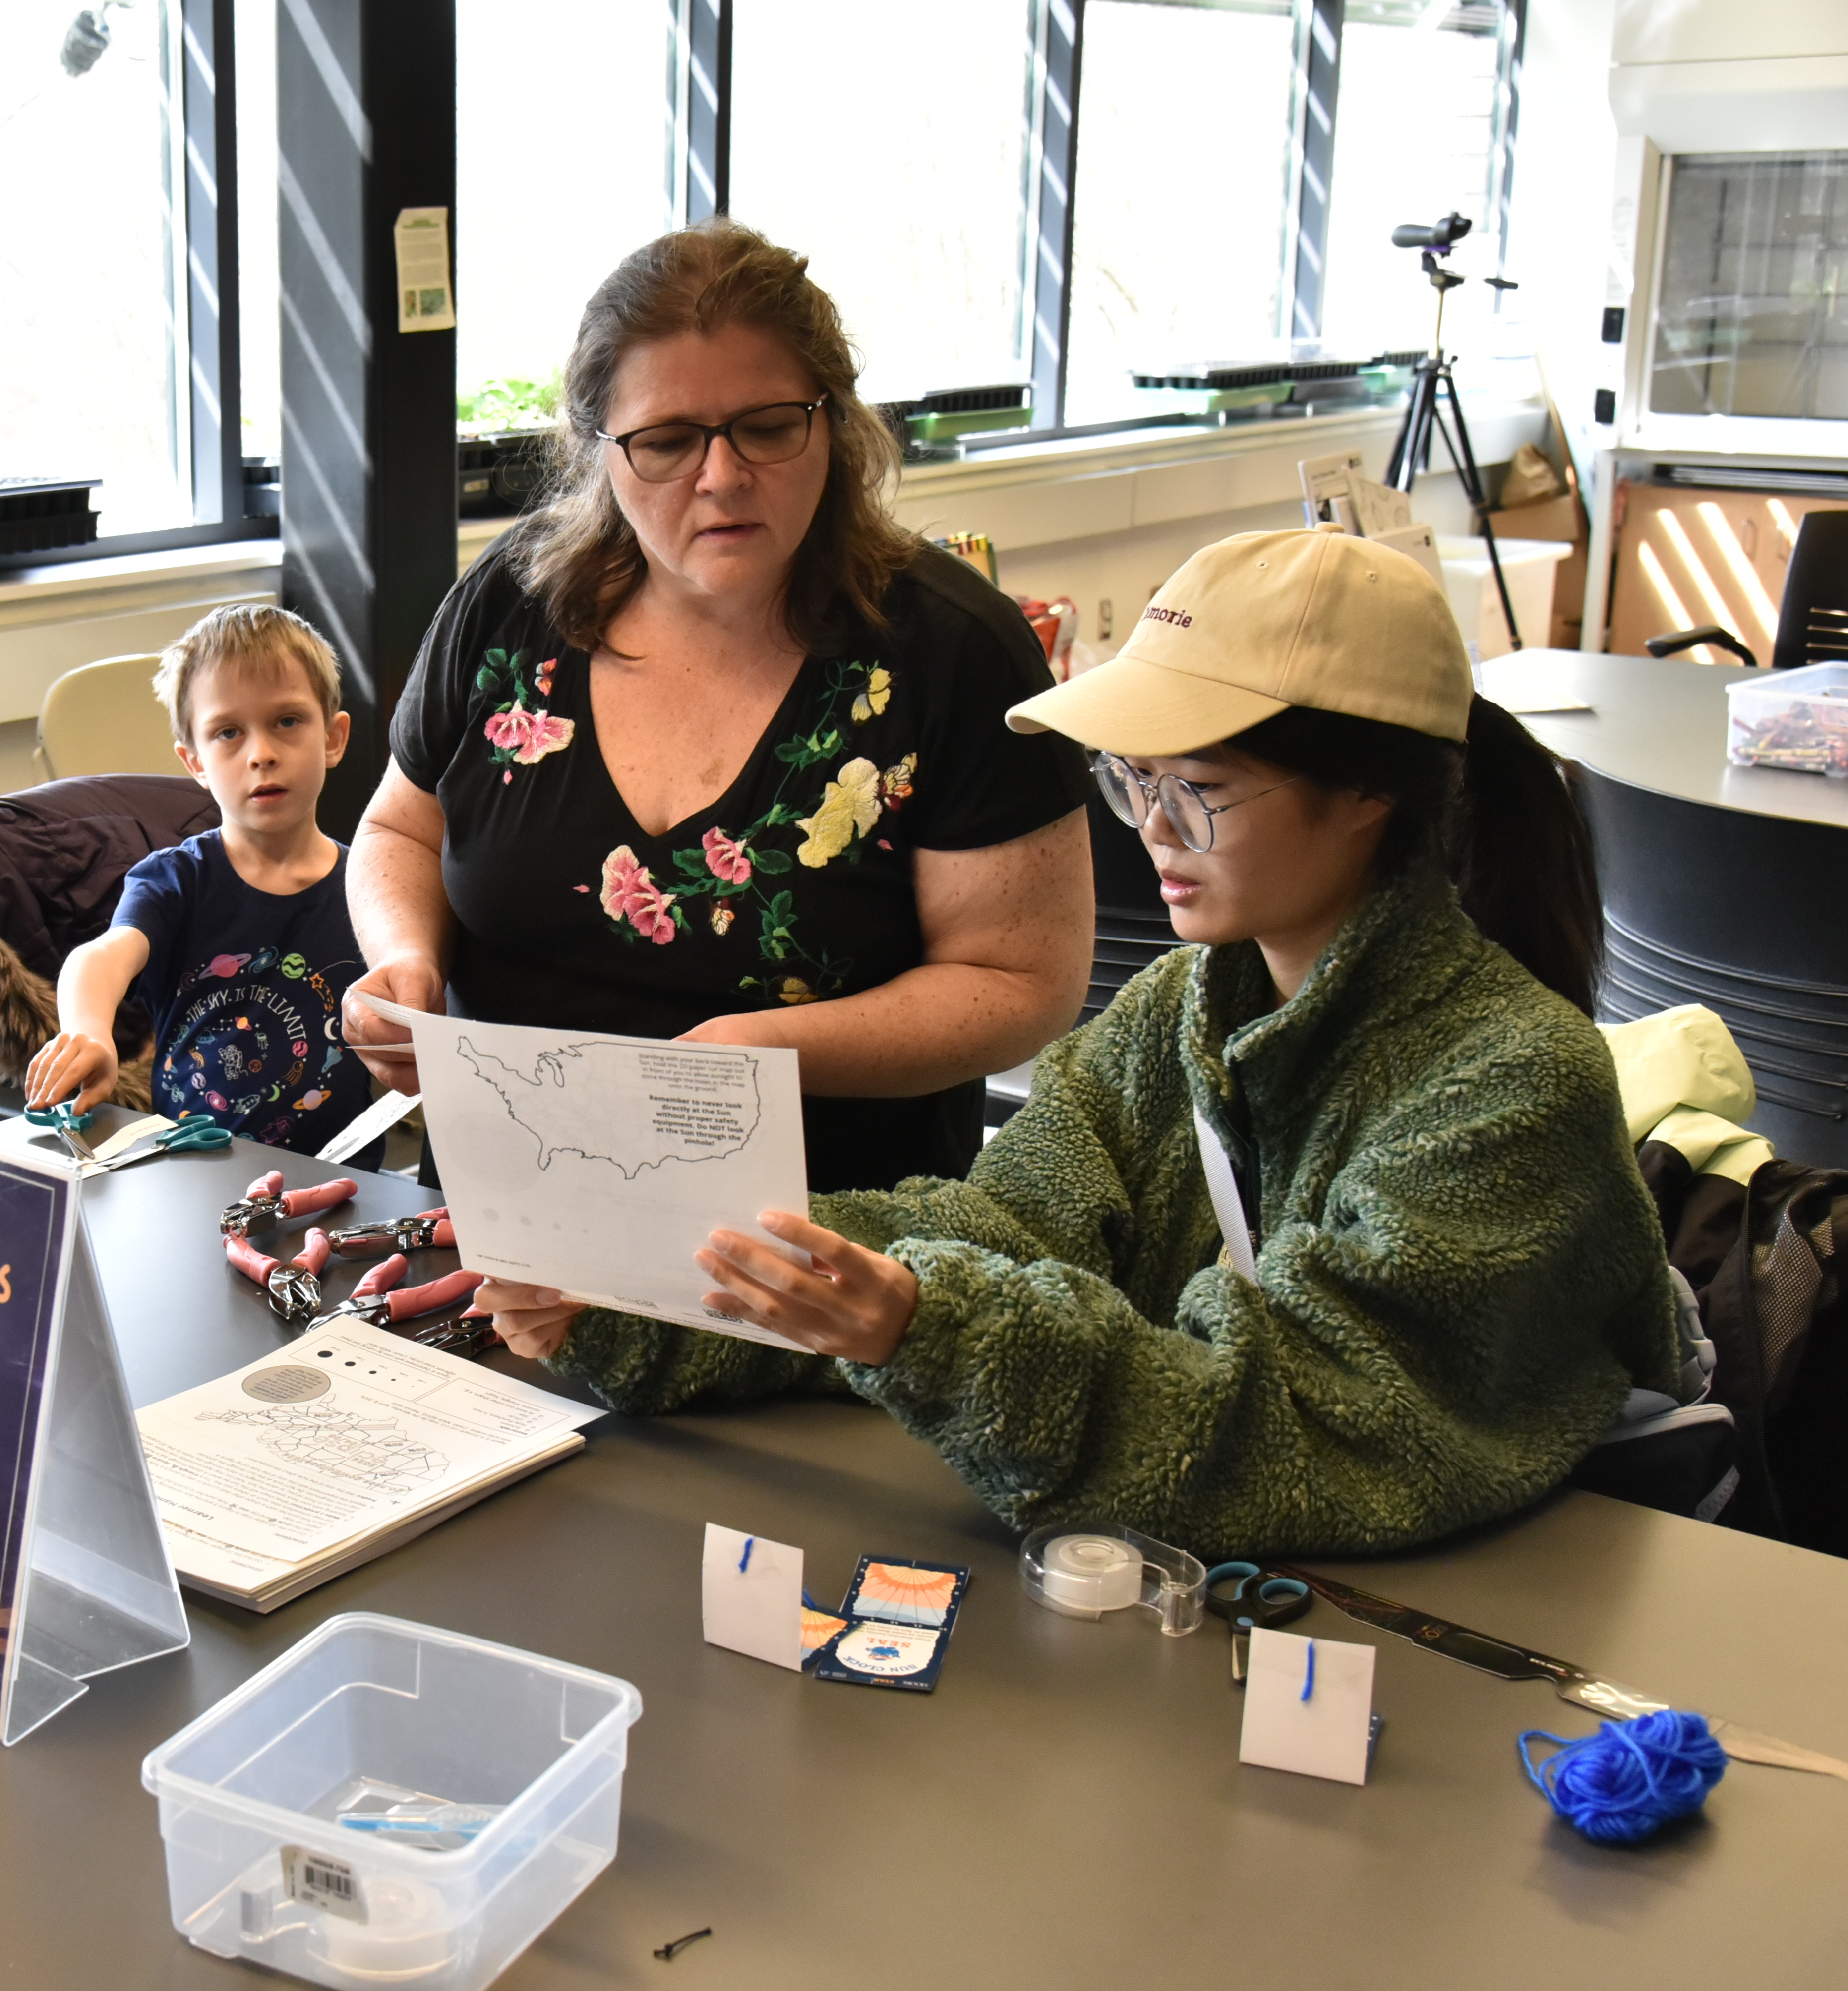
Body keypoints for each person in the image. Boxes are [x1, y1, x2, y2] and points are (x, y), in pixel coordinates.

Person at [484, 527, 1695, 1558]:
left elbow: (1303, 1423)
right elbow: (1002, 1223)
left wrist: (924, 1327)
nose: (1151, 832)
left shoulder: (1511, 1084)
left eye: (1198, 789)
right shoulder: (1179, 1009)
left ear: (1368, 793)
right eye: (1133, 781)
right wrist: (644, 1280)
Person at [345, 219, 1095, 1194]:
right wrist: (404, 963)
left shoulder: (949, 650)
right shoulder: (512, 599)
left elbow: (1020, 983)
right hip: (507, 1211)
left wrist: (753, 1052)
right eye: (664, 441)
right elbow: (400, 826)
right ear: (598, 451)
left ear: (832, 422)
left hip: (822, 1250)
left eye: (768, 426)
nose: (722, 476)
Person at [23, 605, 373, 1158]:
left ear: (333, 737)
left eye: (287, 721)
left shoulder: (371, 886)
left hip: (337, 1190)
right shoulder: (174, 879)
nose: (261, 754)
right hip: (190, 1172)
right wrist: (90, 1033)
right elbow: (102, 957)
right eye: (228, 732)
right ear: (195, 763)